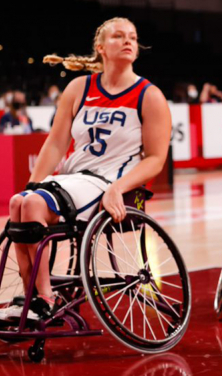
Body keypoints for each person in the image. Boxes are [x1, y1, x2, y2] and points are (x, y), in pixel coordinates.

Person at [2, 17, 171, 321]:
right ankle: (29, 298)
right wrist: (32, 183)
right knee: (19, 202)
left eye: (132, 37)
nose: (128, 41)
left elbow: (156, 159)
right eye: (119, 36)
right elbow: (55, 145)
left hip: (109, 181)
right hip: (74, 178)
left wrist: (117, 188)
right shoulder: (79, 88)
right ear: (101, 47)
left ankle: (44, 298)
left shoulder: (150, 95)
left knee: (33, 204)